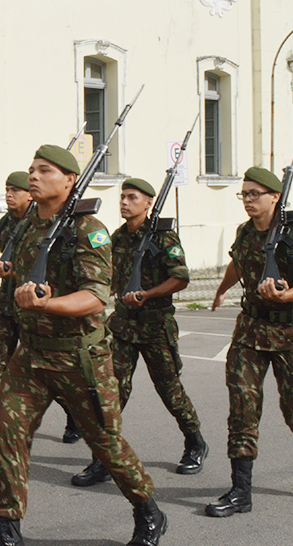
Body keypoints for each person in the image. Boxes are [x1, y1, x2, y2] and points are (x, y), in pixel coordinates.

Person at [0, 145, 165, 546]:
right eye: (32, 169)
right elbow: (21, 278)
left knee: (106, 445)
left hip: (80, 358)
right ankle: (8, 541)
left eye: (44, 170)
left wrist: (46, 304)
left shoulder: (88, 229)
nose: (33, 176)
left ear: (69, 180)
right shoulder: (27, 227)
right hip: (32, 356)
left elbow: (96, 297)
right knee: (4, 435)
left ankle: (148, 511)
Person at [206, 167, 293, 517]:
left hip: (291, 334)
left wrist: (286, 296)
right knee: (242, 409)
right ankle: (241, 491)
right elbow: (238, 262)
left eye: (254, 194)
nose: (248, 200)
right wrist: (221, 290)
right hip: (250, 331)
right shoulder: (246, 232)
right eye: (244, 194)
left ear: (275, 197)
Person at [72, 178, 205, 487]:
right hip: (122, 326)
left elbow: (180, 278)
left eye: (132, 197)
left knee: (169, 391)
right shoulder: (117, 238)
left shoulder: (162, 237)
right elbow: (108, 277)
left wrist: (148, 294)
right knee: (112, 393)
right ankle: (103, 459)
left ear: (148, 203)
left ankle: (195, 442)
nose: (124, 202)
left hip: (156, 325)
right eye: (122, 197)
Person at [0, 171, 81, 442]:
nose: (9, 194)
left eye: (16, 190)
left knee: (44, 371)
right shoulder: (6, 223)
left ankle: (73, 415)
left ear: (30, 196)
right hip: (5, 303)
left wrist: (13, 271)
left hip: (32, 306)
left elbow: (41, 270)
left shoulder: (44, 225)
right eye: (6, 189)